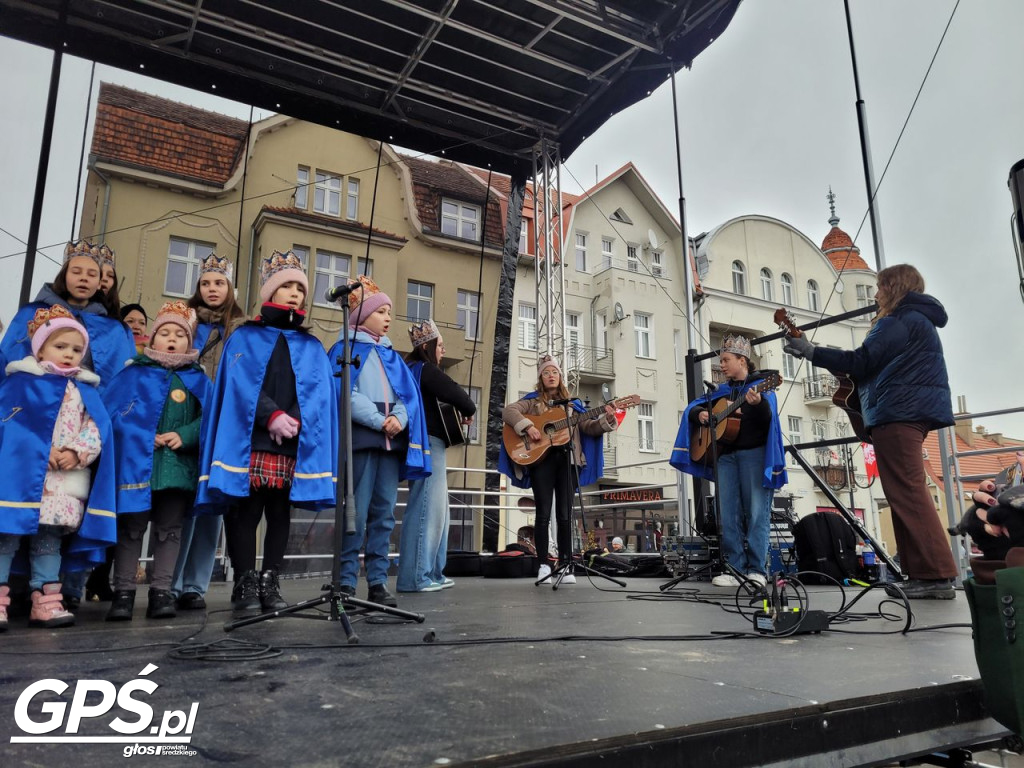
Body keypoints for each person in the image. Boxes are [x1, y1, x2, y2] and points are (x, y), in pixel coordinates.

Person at [783, 263, 958, 599]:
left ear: (894, 288)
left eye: (879, 287)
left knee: (907, 493)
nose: (875, 295)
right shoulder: (915, 321)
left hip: (899, 412)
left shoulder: (898, 321)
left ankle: (936, 575)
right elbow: (869, 364)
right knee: (903, 493)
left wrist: (811, 351)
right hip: (907, 411)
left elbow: (861, 360)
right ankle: (923, 574)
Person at [196, 250, 337, 612]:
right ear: (269, 292)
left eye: (299, 287)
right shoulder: (244, 338)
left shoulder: (311, 345)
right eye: (286, 286)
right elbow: (239, 385)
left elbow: (318, 391)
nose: (294, 293)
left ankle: (270, 578)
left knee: (279, 513)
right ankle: (244, 578)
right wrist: (270, 415)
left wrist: (292, 419)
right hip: (251, 438)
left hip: (292, 440)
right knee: (246, 510)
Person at [0, 306, 116, 630]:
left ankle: (47, 601)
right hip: (21, 479)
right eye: (60, 346)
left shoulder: (83, 390)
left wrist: (77, 452)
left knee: (49, 541)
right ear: (39, 348)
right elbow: (9, 424)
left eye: (77, 349)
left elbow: (96, 428)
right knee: (6, 536)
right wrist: (42, 449)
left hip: (62, 481)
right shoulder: (20, 383)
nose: (69, 354)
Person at [104, 301, 211, 621]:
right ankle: (123, 593)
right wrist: (142, 433)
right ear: (152, 338)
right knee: (131, 530)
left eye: (179, 334)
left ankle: (161, 592)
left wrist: (187, 435)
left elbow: (209, 418)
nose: (172, 339)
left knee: (170, 531)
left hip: (178, 469)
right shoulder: (133, 373)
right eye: (164, 332)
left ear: (189, 342)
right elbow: (113, 414)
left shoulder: (197, 380)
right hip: (137, 466)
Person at [331, 276, 430, 607]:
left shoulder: (391, 356)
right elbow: (346, 392)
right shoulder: (345, 349)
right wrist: (379, 421)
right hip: (362, 441)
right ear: (361, 314)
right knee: (353, 513)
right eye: (381, 311)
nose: (388, 318)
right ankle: (345, 580)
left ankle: (376, 579)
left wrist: (400, 418)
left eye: (389, 312)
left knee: (385, 513)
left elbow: (408, 395)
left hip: (391, 444)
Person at [670, 335, 787, 588]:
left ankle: (757, 570)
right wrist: (699, 413)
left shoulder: (761, 386)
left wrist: (756, 406)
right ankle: (735, 568)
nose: (721, 365)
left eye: (726, 360)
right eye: (720, 360)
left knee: (756, 511)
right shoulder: (721, 391)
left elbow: (768, 420)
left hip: (753, 455)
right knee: (728, 513)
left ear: (742, 361)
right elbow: (693, 408)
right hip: (725, 457)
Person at [500, 355, 618, 584]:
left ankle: (566, 564)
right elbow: (509, 411)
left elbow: (590, 428)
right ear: (541, 378)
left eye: (554, 372)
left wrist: (607, 420)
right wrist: (528, 426)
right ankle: (543, 565)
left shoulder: (573, 406)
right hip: (541, 461)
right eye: (546, 372)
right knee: (543, 515)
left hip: (568, 461)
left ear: (560, 377)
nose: (551, 375)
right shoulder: (532, 402)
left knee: (565, 515)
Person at [171, 254, 246, 611]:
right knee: (181, 505)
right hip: (186, 415)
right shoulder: (184, 322)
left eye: (219, 282)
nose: (212, 289)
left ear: (230, 287)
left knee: (211, 505)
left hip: (221, 424)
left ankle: (195, 585)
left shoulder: (240, 328)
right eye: (206, 283)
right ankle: (168, 582)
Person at [397, 319, 476, 593]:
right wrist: (467, 410)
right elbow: (461, 397)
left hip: (428, 442)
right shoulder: (425, 369)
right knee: (426, 509)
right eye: (440, 346)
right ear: (428, 347)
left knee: (438, 509)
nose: (442, 351)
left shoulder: (413, 370)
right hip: (428, 443)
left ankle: (432, 573)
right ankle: (416, 577)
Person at [0, 240, 135, 389]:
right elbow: (9, 360)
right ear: (64, 276)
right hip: (34, 397)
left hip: (86, 405)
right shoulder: (33, 313)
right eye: (76, 272)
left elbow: (121, 383)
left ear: (99, 284)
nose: (84, 278)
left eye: (92, 274)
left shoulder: (113, 329)